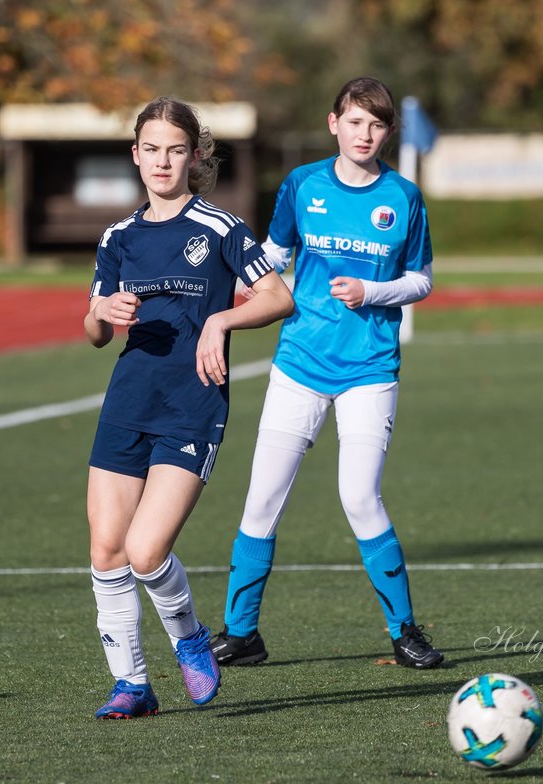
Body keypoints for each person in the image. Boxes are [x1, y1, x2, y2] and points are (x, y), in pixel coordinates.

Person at [209, 77, 445, 670]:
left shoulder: (405, 197)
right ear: (334, 122)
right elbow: (275, 254)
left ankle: (404, 631)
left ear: (388, 132)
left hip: (370, 368)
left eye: (377, 124)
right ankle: (243, 635)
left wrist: (374, 290)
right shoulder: (302, 185)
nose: (366, 134)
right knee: (262, 498)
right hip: (299, 365)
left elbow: (421, 279)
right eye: (356, 121)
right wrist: (238, 287)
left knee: (360, 497)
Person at [85, 97, 295, 719]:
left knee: (146, 552)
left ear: (194, 157)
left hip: (192, 406)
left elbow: (278, 297)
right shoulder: (118, 237)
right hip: (127, 401)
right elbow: (95, 329)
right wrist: (101, 313)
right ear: (135, 155)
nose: (162, 161)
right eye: (151, 149)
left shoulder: (221, 228)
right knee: (106, 551)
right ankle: (131, 685)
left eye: (175, 150)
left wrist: (221, 320)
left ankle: (189, 638)